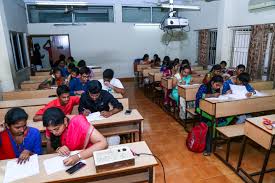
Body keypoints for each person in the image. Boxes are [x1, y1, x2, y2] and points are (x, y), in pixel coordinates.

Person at [43, 107, 107, 166]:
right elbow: (49, 151)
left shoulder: (78, 122)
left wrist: (78, 157)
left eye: (56, 129)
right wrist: (58, 149)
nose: (54, 133)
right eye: (50, 131)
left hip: (88, 155)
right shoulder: (51, 126)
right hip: (67, 160)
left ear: (65, 121)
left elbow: (103, 143)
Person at [195, 76, 234, 155]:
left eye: (220, 85)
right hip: (201, 108)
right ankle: (209, 145)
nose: (218, 87)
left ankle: (215, 129)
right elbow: (199, 97)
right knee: (213, 119)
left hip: (213, 108)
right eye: (217, 85)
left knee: (232, 114)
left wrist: (225, 94)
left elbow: (219, 97)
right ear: (212, 83)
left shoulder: (217, 88)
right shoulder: (204, 86)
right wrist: (212, 95)